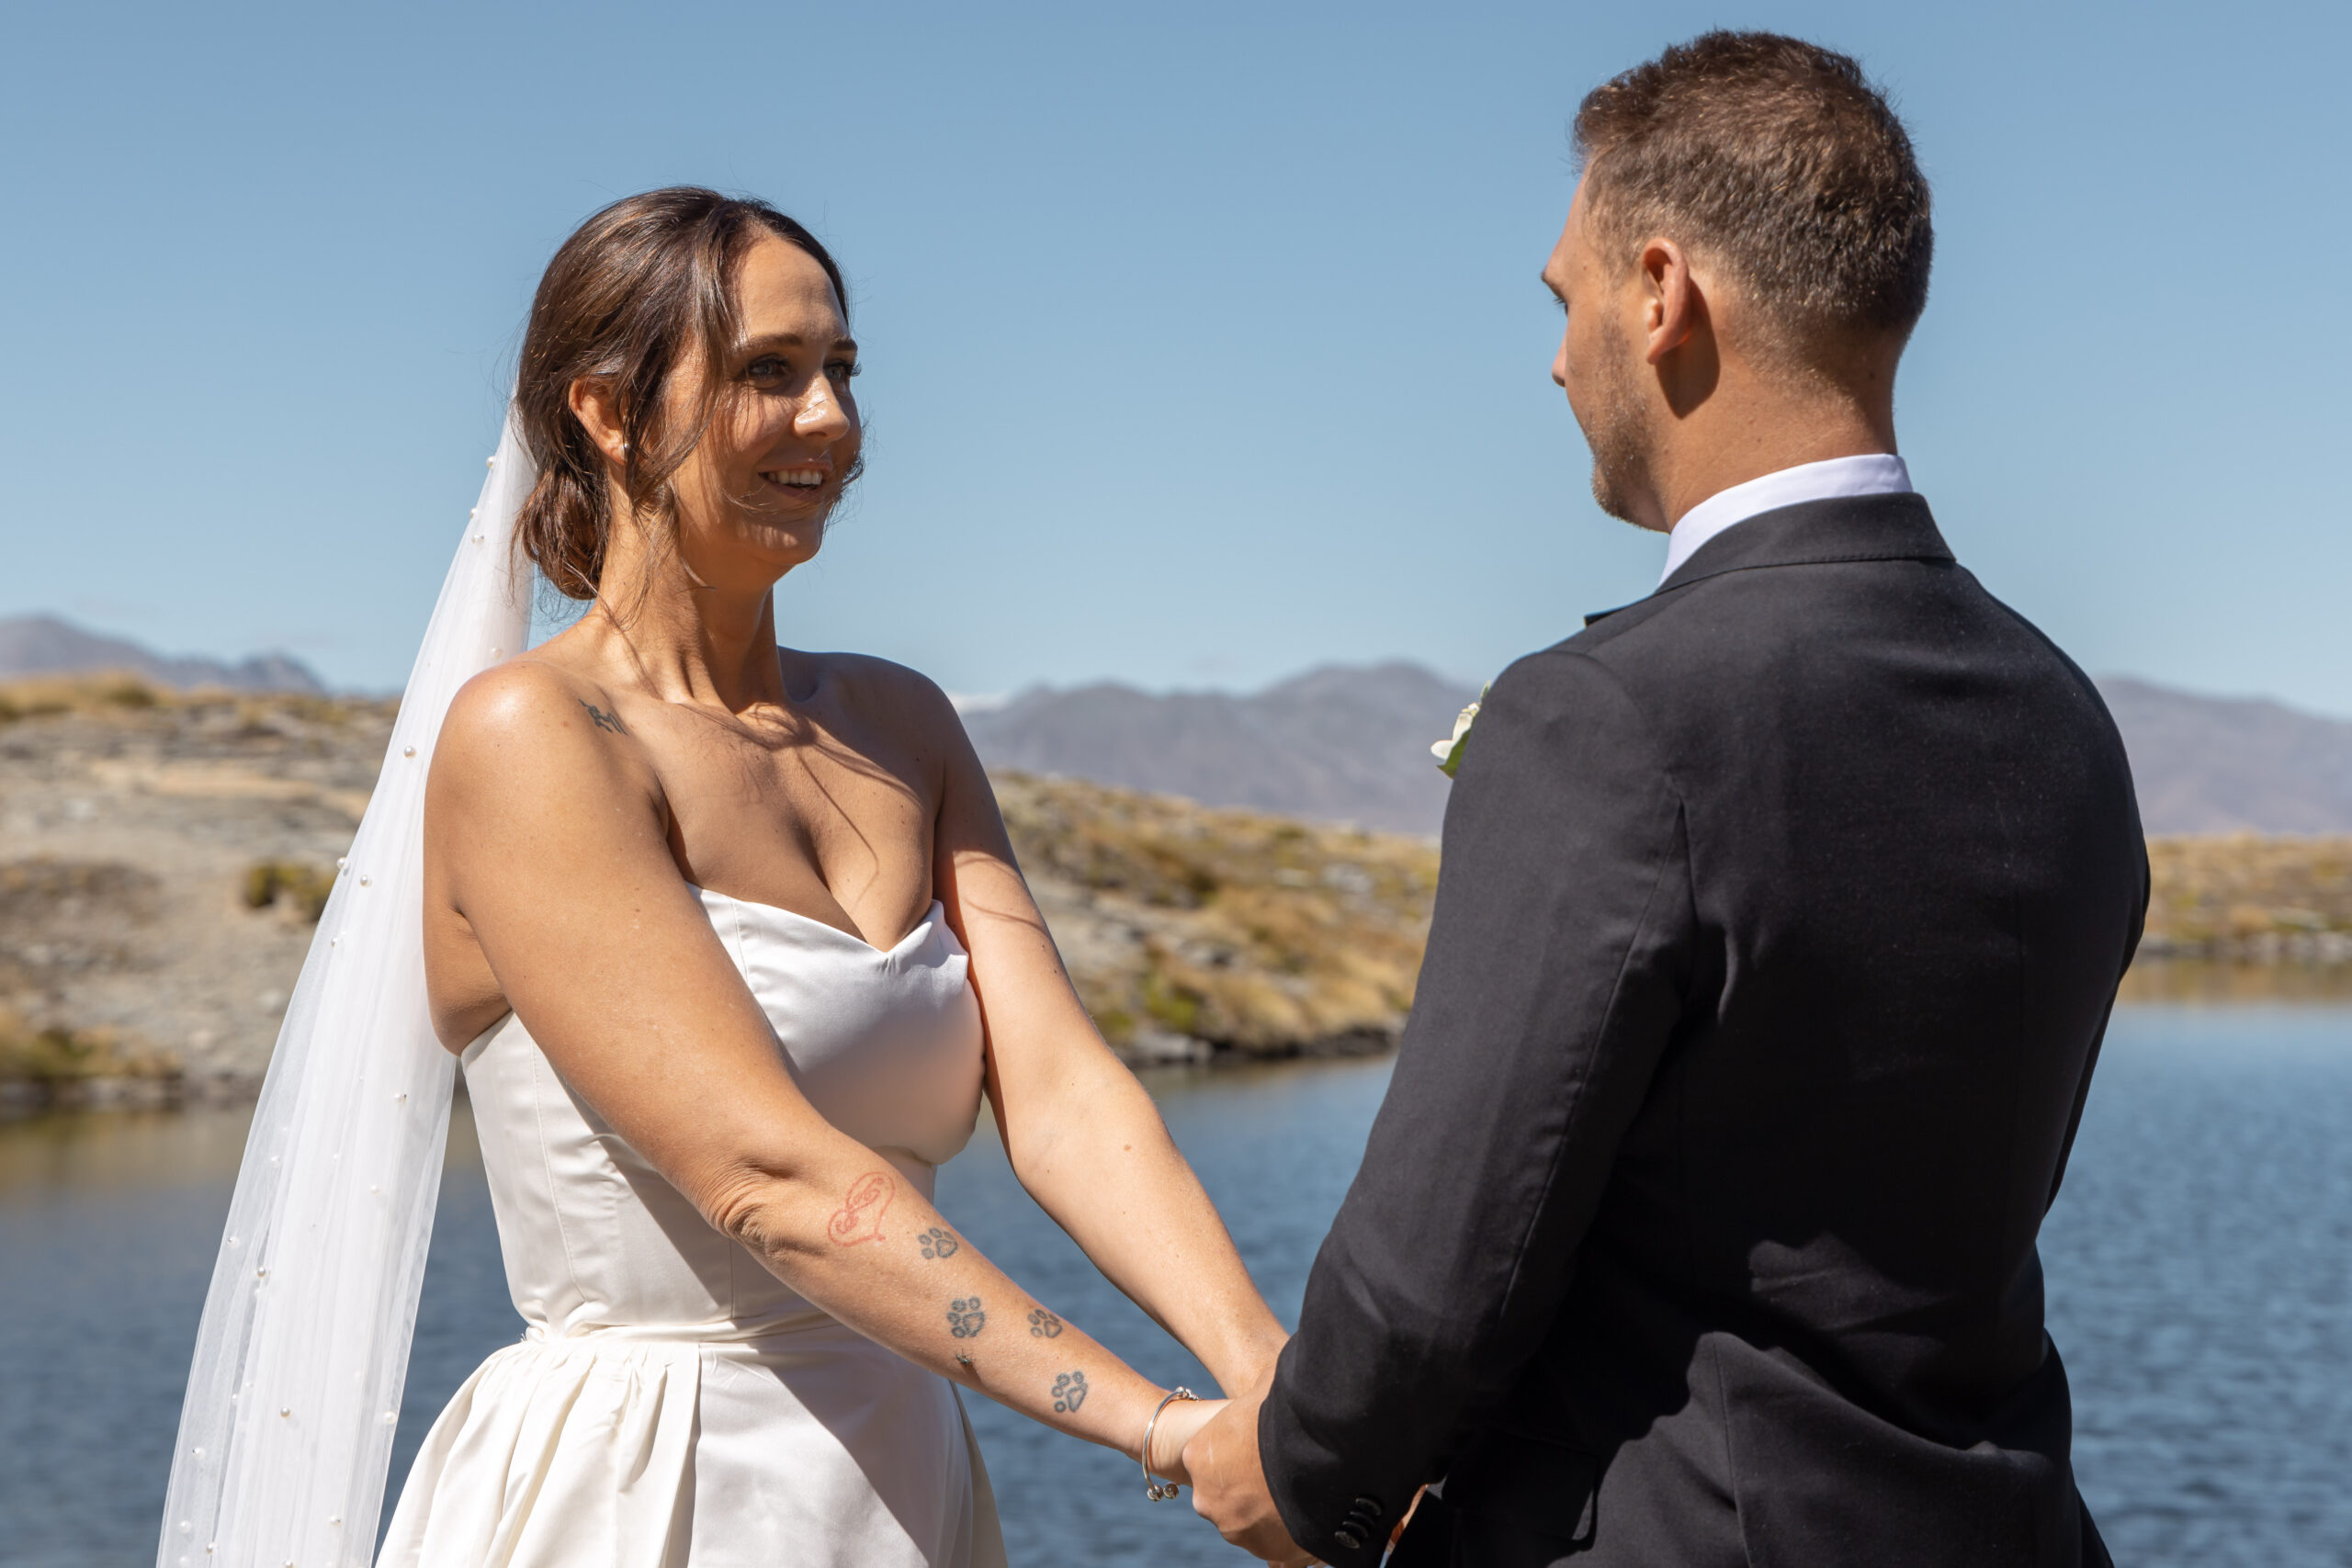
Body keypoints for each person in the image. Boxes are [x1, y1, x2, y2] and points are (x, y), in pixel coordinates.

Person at [1185, 31, 2143, 1568]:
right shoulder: (2063, 719)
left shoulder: (1607, 719)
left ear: (1659, 291)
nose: (1559, 359)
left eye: (1563, 300)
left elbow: (1438, 1273)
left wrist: (1302, 1478)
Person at [357, 188, 1284, 1565]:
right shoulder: (537, 737)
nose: (831, 419)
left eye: (841, 369)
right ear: (608, 412)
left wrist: (1276, 1387)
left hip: (900, 1474)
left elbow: (1064, 1094)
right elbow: (767, 1178)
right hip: (652, 1485)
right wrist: (1162, 1430)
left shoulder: (903, 723)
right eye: (768, 372)